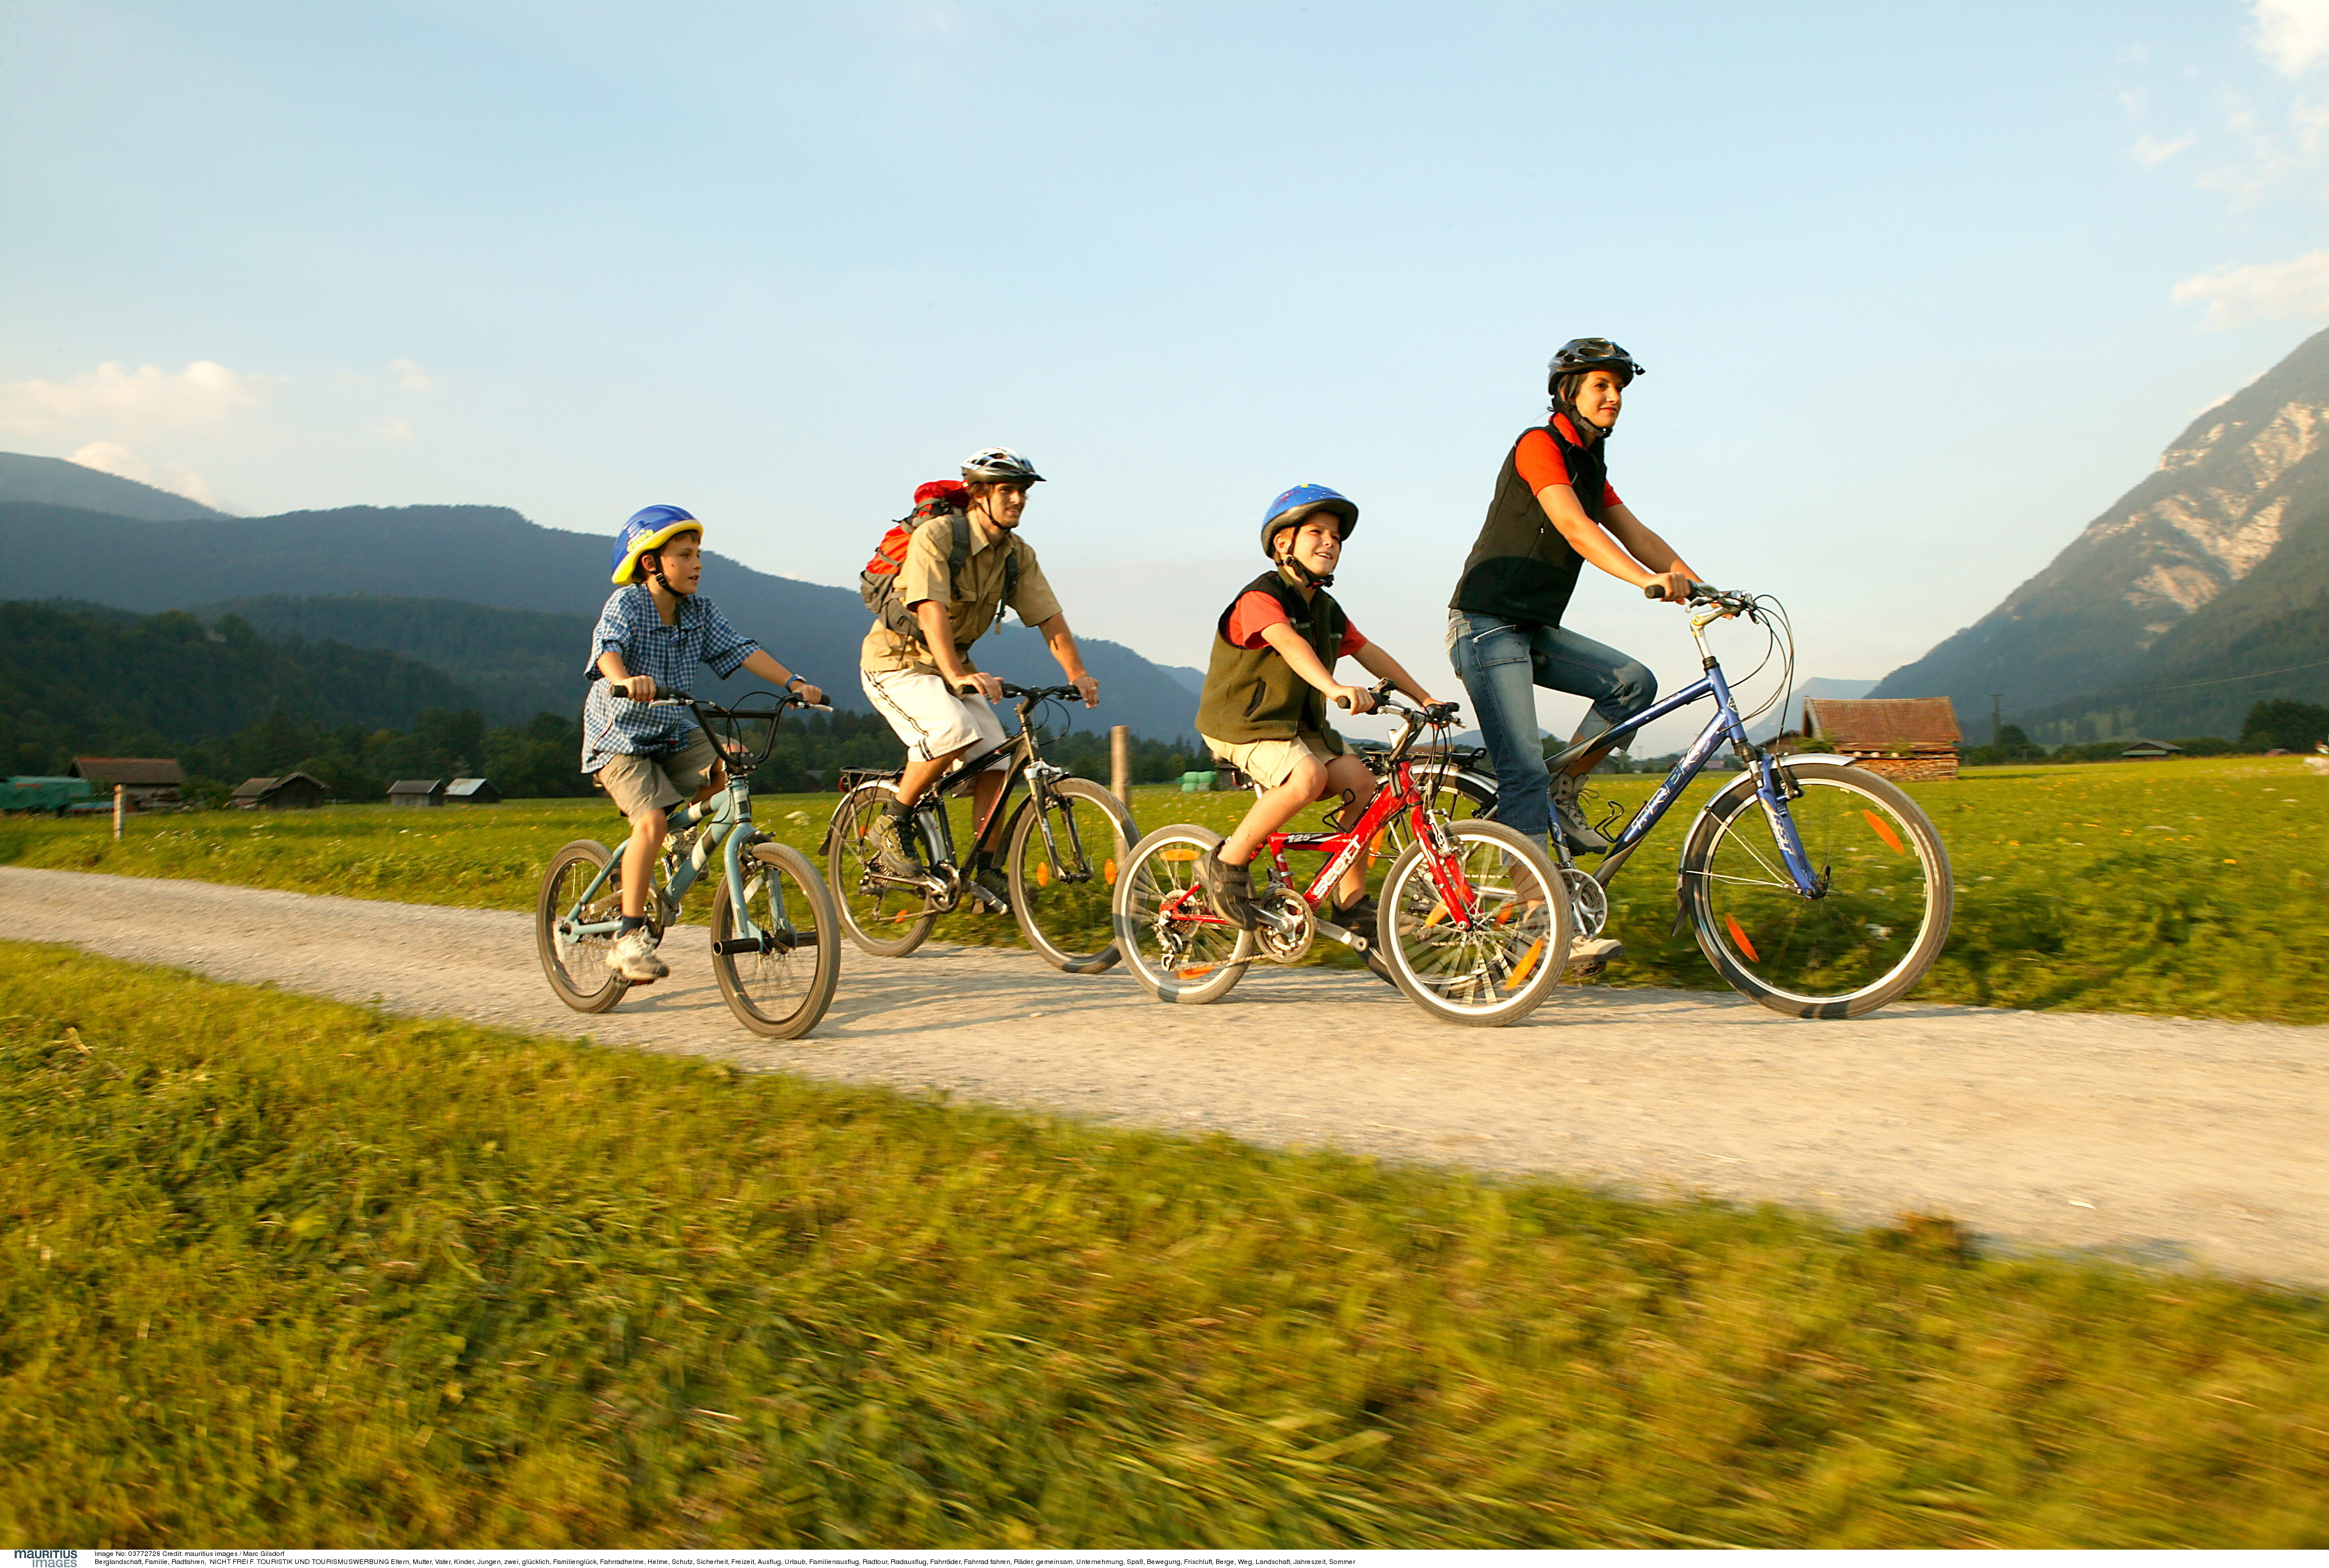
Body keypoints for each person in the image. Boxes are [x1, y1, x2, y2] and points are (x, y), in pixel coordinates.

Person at [1445, 339, 1704, 855]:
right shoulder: (1539, 444)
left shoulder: (1591, 466)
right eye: (1602, 386)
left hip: (1532, 627)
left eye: (1620, 388)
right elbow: (1572, 525)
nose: (1615, 397)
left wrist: (1700, 586)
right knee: (1522, 770)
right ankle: (1538, 920)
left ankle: (1562, 795)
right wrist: (1642, 580)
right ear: (1569, 392)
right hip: (1485, 626)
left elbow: (1639, 535)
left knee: (1632, 685)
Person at [583, 505, 825, 982]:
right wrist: (626, 680)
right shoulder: (627, 606)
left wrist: (793, 682)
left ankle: (674, 840)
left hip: (673, 729)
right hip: (621, 737)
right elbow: (607, 648)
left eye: (698, 555)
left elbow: (741, 649)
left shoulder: (700, 611)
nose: (697, 564)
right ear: (652, 564)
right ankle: (629, 938)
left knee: (733, 762)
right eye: (684, 554)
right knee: (649, 820)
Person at [1191, 483, 1440, 943]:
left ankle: (1351, 904)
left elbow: (1369, 652)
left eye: (1337, 537)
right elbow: (1289, 644)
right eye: (1317, 532)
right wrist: (1334, 687)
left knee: (1364, 785)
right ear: (1283, 543)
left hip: (1297, 728)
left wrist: (1427, 700)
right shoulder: (1260, 598)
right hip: (1243, 724)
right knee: (1307, 779)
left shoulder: (1326, 608)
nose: (1330, 542)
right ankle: (1225, 863)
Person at [858, 446, 1098, 911]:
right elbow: (930, 609)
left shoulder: (1016, 554)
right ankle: (894, 821)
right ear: (978, 494)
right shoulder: (939, 536)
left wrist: (1079, 673)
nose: (1018, 501)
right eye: (1007, 490)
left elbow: (1048, 617)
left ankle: (986, 872)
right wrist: (955, 673)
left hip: (953, 669)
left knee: (996, 760)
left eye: (1022, 492)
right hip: (897, 663)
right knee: (953, 730)